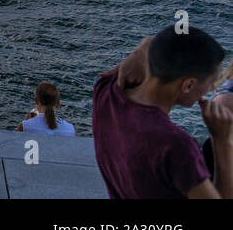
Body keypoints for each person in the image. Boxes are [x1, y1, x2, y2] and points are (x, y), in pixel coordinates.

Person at [92, 25, 231, 198]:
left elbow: (160, 45)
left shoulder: (106, 91)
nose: (211, 90)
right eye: (211, 83)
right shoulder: (177, 145)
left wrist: (143, 46)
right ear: (188, 85)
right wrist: (222, 141)